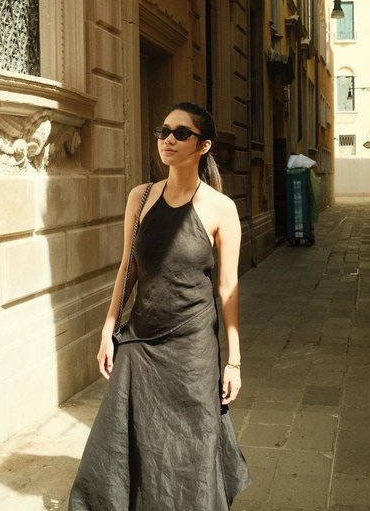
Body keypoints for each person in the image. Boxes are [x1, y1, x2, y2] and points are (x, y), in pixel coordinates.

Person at [69, 102, 250, 511]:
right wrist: (108, 329)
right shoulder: (141, 197)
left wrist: (234, 362)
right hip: (141, 339)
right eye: (163, 131)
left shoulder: (221, 208)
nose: (167, 139)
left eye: (180, 133)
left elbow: (227, 288)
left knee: (192, 445)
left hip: (192, 347)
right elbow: (128, 267)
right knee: (125, 442)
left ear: (203, 146)